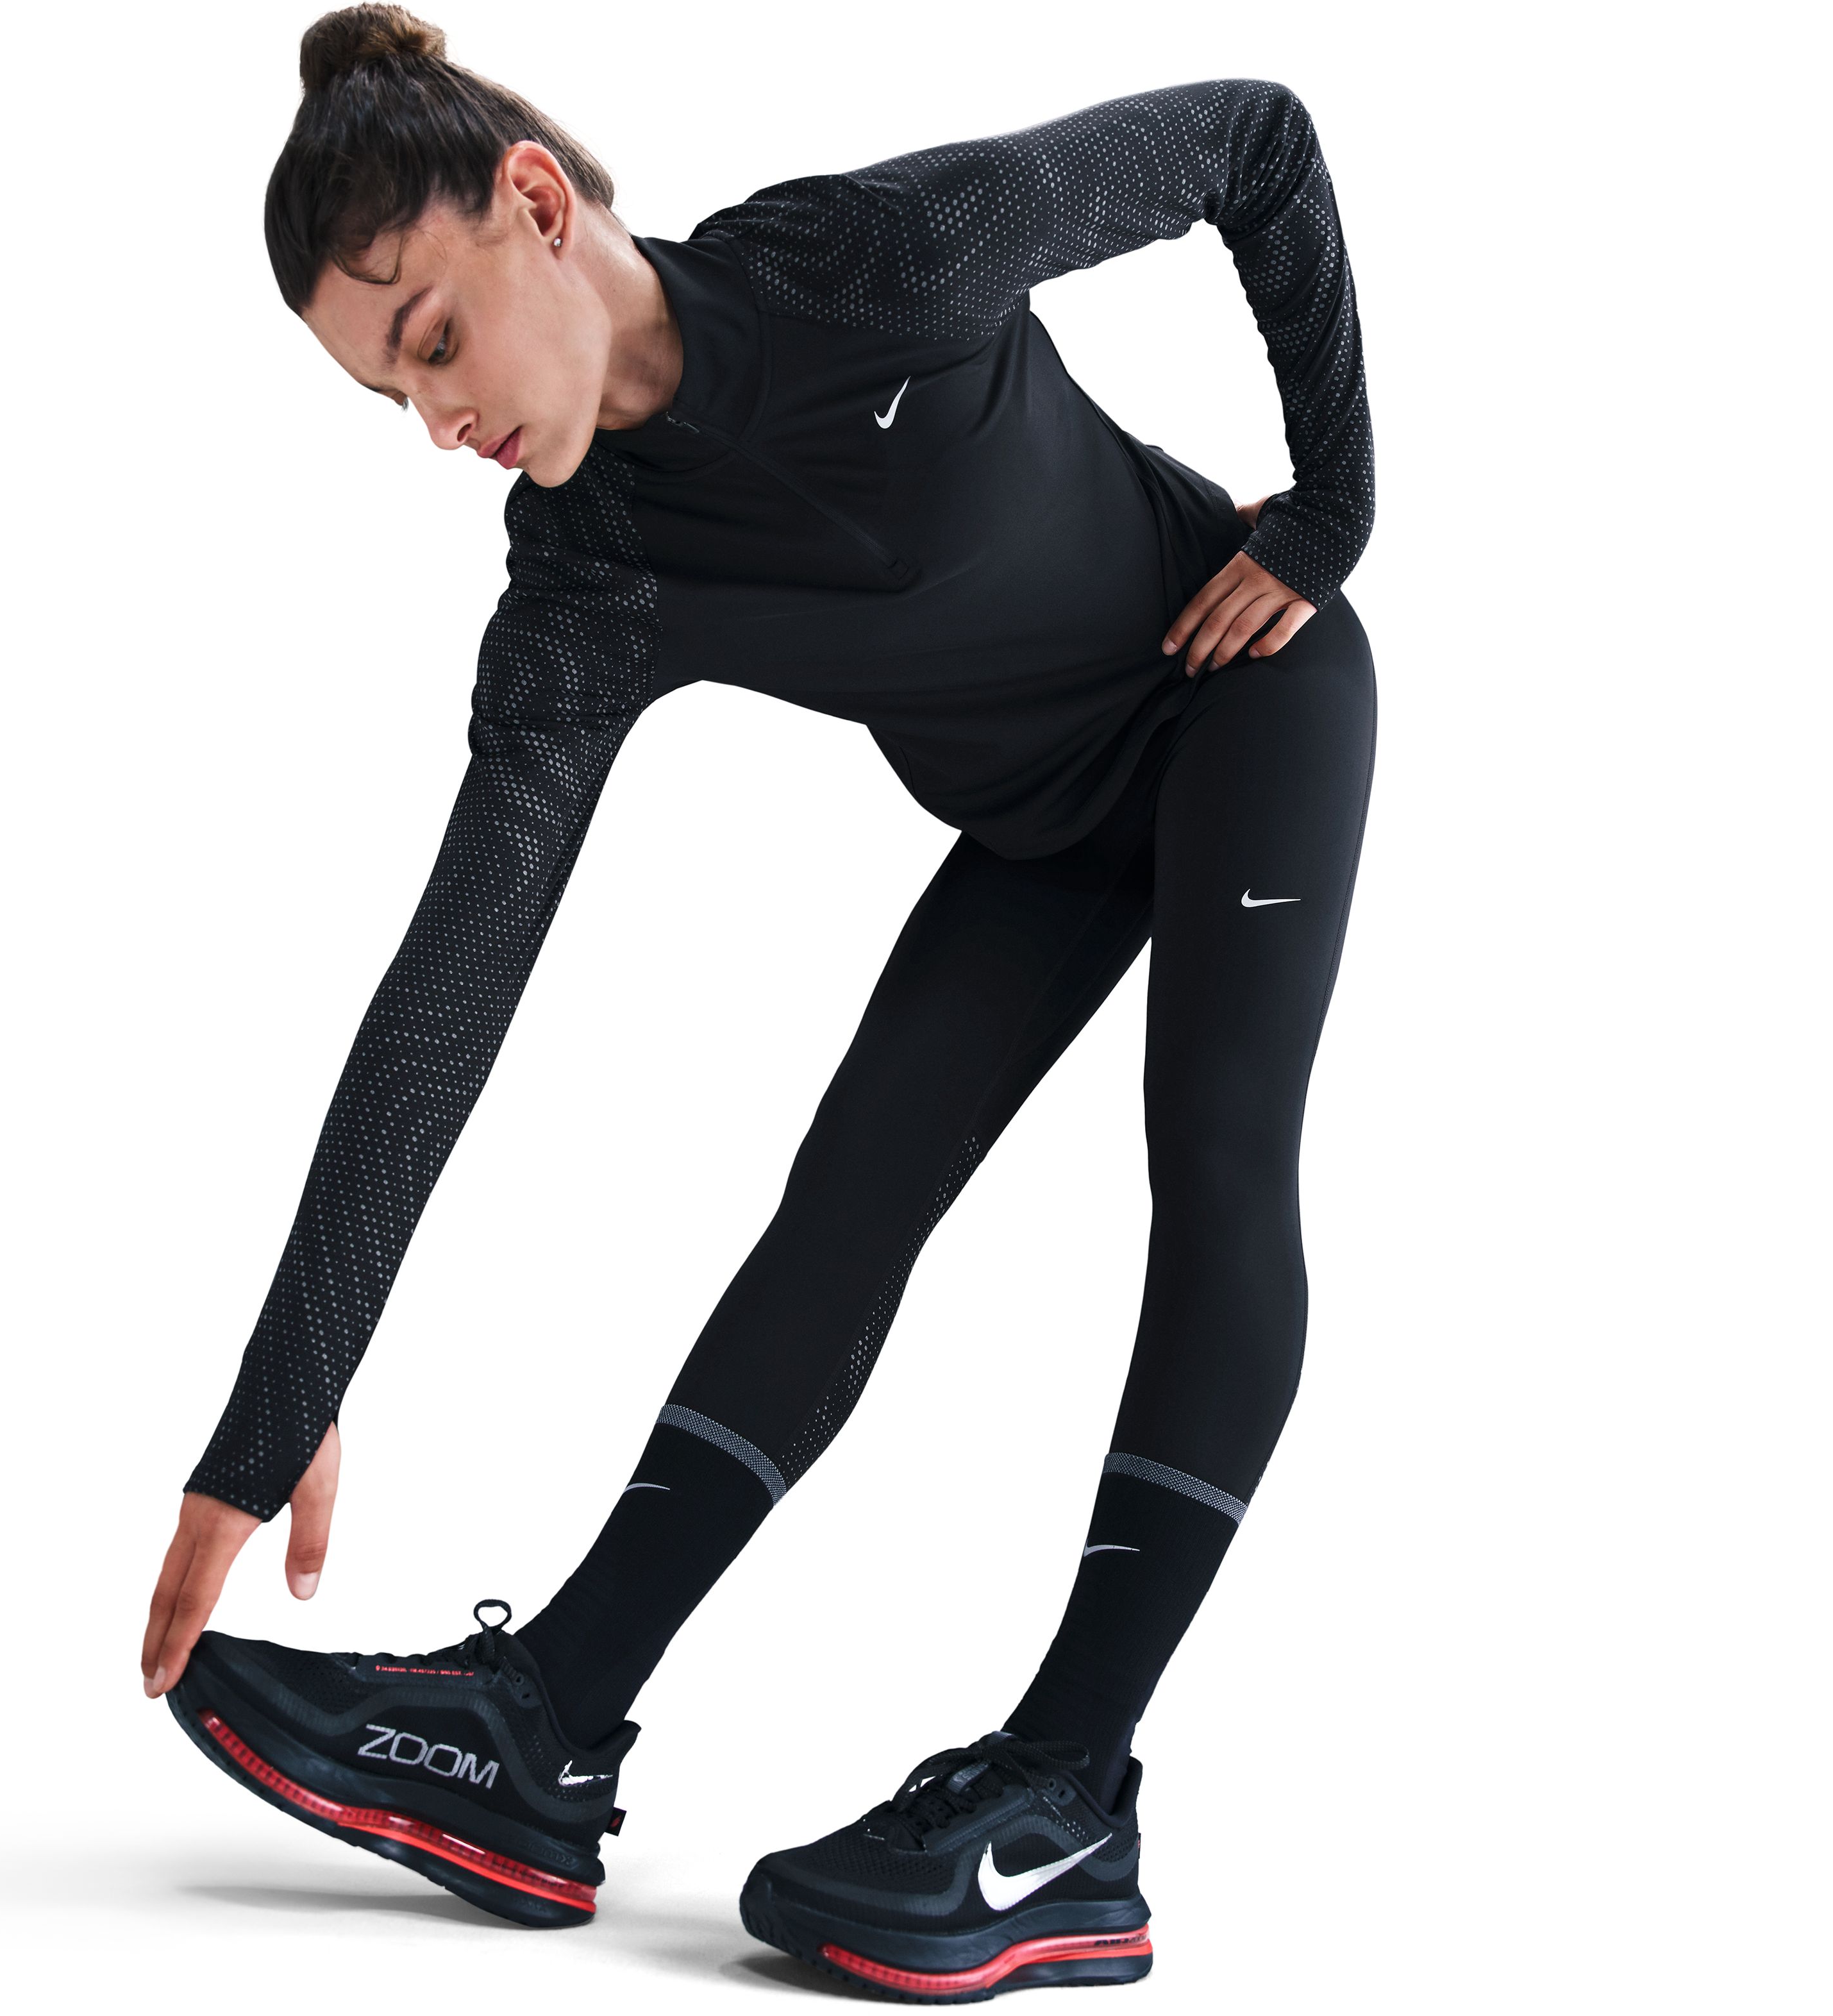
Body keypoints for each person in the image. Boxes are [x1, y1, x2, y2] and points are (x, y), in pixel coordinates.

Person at [142, 5, 1375, 1997]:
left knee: (1217, 1169)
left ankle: (1069, 1796)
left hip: (1243, 692)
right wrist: (280, 1400)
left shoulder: (879, 264)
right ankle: (546, 1728)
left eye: (433, 341)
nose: (435, 423)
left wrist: (1329, 510)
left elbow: (1254, 138)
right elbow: (447, 996)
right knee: (844, 1206)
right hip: (1047, 820)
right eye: (388, 395)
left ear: (537, 205)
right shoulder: (594, 573)